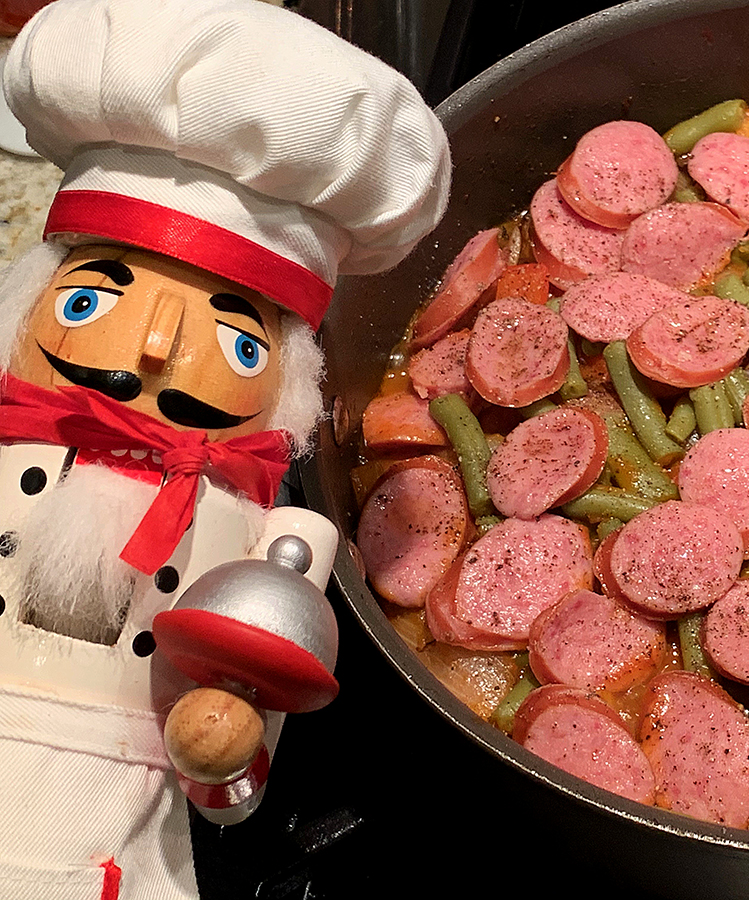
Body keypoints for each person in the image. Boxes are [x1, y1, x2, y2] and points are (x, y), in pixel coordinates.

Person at [0, 0, 451, 897]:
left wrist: (227, 740)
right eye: (92, 299)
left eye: (241, 341)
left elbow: (230, 798)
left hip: (113, 856)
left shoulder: (275, 540)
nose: (158, 347)